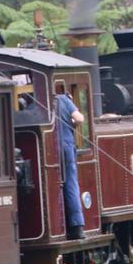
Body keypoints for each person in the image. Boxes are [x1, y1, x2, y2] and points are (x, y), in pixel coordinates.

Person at [55, 93, 86, 240]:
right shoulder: (63, 99)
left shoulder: (34, 102)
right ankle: (77, 226)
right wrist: (72, 123)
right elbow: (80, 118)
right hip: (66, 146)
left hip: (49, 148)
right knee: (71, 184)